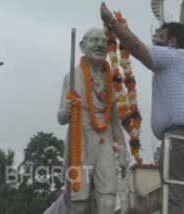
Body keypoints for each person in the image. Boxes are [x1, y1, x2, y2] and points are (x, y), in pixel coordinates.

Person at [100, 2, 184, 214]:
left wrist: (112, 22)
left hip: (180, 140)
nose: (155, 40)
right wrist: (122, 28)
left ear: (171, 42)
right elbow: (136, 44)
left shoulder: (173, 55)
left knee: (174, 200)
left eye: (160, 36)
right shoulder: (181, 62)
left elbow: (138, 49)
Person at [56, 27, 127, 214]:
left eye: (103, 41)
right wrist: (66, 111)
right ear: (82, 46)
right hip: (81, 138)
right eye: (94, 40)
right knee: (78, 199)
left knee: (108, 197)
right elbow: (61, 118)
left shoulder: (112, 81)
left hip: (106, 139)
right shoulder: (71, 77)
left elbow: (114, 122)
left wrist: (123, 149)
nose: (100, 44)